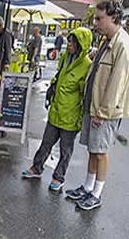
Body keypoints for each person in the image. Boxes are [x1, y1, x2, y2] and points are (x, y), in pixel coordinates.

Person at [66, 0, 129, 211]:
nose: (96, 23)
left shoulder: (122, 44)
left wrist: (102, 112)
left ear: (114, 18)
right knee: (93, 149)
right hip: (94, 107)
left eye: (99, 18)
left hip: (105, 111)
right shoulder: (107, 41)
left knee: (101, 151)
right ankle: (88, 187)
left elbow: (117, 84)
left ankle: (96, 194)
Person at [22, 27, 93, 191]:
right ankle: (36, 168)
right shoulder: (64, 57)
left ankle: (58, 177)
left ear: (82, 45)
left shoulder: (87, 66)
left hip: (71, 115)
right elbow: (59, 77)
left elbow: (85, 93)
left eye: (73, 42)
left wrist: (82, 115)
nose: (69, 45)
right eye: (69, 41)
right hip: (56, 111)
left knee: (65, 150)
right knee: (46, 143)